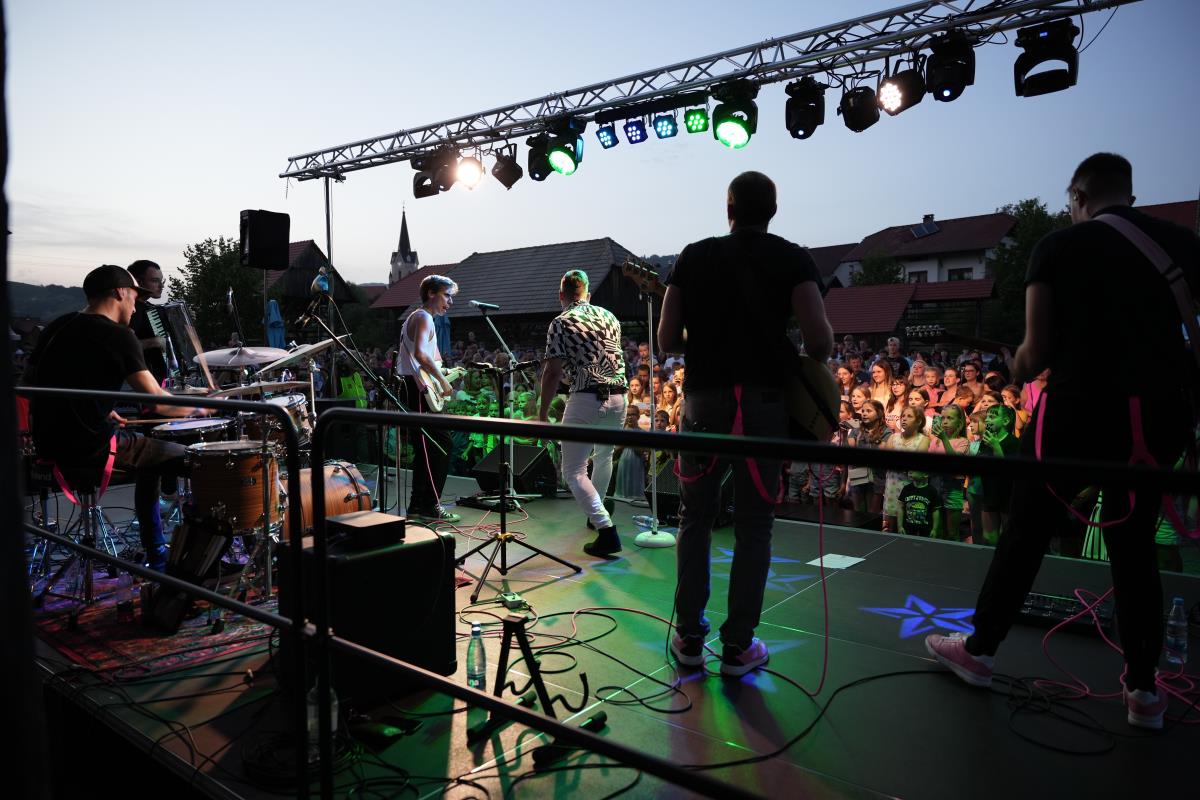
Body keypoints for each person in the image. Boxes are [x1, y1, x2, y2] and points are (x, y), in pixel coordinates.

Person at [926, 153, 1200, 731]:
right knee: (1134, 548)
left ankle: (979, 652)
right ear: (1129, 194)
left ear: (1078, 196)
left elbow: (1035, 354)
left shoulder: (1057, 247)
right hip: (1156, 418)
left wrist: (1016, 363)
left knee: (1026, 532)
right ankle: (1144, 691)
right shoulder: (1181, 242)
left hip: (1076, 414)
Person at [658, 170, 833, 676]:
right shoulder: (794, 258)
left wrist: (708, 340)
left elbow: (667, 340)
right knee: (755, 525)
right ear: (772, 211)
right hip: (764, 404)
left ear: (729, 209)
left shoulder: (693, 256)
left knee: (695, 519)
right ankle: (738, 646)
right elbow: (820, 344)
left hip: (703, 402)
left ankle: (690, 637)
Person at [24, 265, 209, 570]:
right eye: (135, 297)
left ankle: (156, 552)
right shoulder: (119, 335)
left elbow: (31, 385)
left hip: (48, 445)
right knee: (198, 462)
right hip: (92, 448)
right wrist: (203, 407)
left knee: (150, 462)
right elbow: (160, 404)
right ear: (121, 292)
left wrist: (95, 407)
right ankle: (194, 561)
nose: (136, 307)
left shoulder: (58, 326)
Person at [538, 269, 630, 555]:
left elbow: (552, 372)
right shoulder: (609, 316)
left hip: (587, 398)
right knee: (604, 456)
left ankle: (606, 529)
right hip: (620, 397)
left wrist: (542, 415)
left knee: (573, 470)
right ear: (588, 294)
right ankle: (596, 515)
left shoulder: (561, 321)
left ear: (561, 295)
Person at [395, 274, 462, 523]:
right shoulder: (424, 316)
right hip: (417, 391)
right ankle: (430, 506)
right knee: (441, 446)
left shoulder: (419, 317)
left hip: (414, 388)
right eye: (447, 296)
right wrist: (444, 382)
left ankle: (418, 507)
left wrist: (447, 373)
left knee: (427, 451)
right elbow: (422, 355)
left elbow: (424, 360)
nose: (450, 302)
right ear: (431, 293)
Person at [126, 260, 170, 386]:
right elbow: (122, 346)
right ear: (138, 282)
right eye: (155, 281)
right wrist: (153, 342)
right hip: (139, 381)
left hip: (156, 378)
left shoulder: (148, 307)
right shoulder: (133, 310)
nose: (161, 286)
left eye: (162, 281)